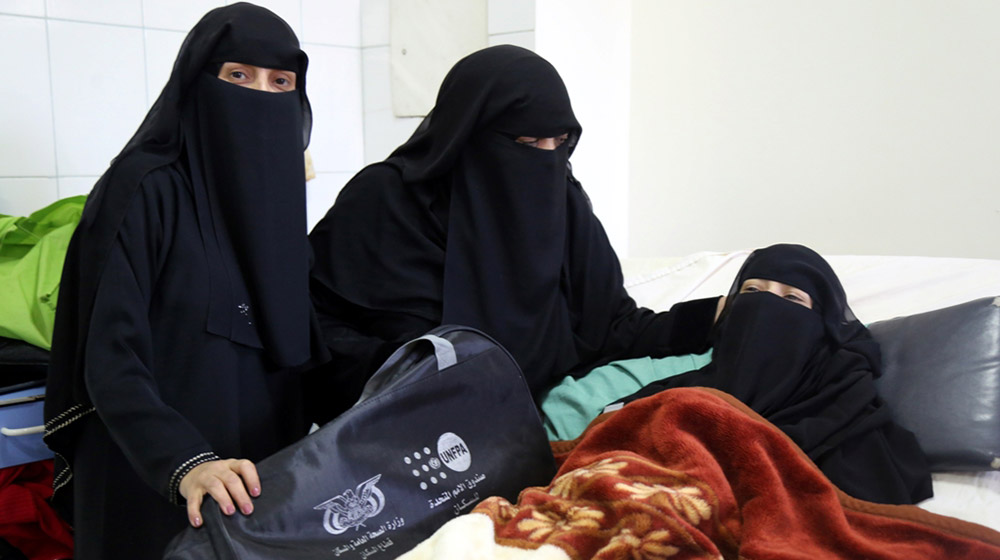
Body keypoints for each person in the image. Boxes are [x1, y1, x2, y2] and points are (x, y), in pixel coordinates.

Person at [42, 4, 329, 558]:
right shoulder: (143, 188)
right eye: (239, 76)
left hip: (257, 482)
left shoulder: (278, 204)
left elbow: (302, 345)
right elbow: (109, 357)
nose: (261, 94)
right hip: (152, 479)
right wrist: (185, 463)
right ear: (200, 81)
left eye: (281, 82)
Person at [306, 45, 722, 422]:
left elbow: (611, 326)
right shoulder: (387, 202)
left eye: (559, 142)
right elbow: (313, 325)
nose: (546, 160)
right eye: (528, 141)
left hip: (525, 438)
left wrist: (719, 314)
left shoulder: (564, 203)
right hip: (399, 433)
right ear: (466, 133)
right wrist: (401, 367)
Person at [614, 244, 932, 505]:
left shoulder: (846, 403)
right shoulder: (692, 390)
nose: (765, 307)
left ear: (822, 323)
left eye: (792, 298)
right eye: (753, 292)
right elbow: (613, 429)